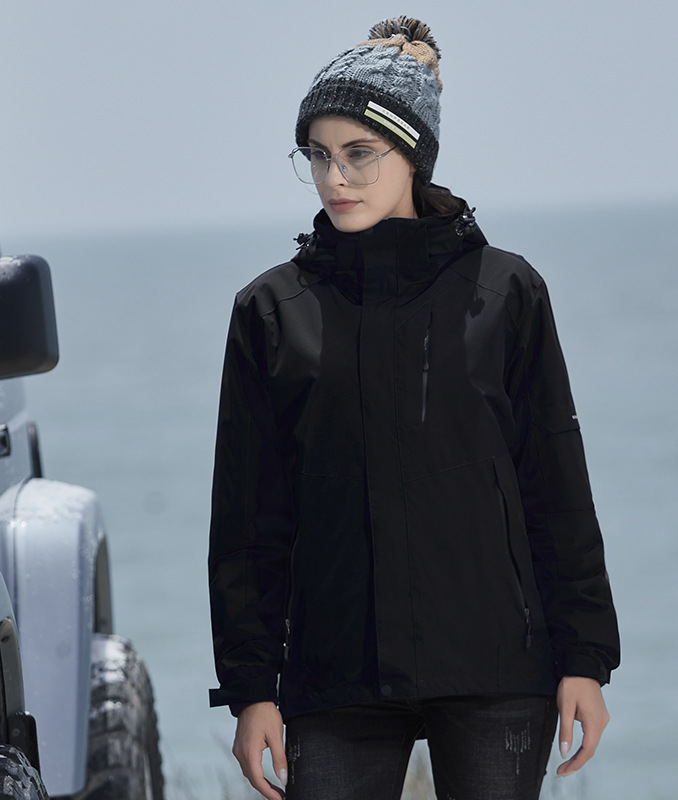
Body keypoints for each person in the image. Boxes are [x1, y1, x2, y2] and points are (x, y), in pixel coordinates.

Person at [208, 16, 620, 800]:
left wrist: (585, 661)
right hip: (336, 675)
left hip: (496, 666)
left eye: (359, 153)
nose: (335, 177)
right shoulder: (270, 311)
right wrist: (251, 689)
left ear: (413, 155)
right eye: (317, 155)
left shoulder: (506, 292)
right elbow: (247, 520)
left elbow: (556, 487)